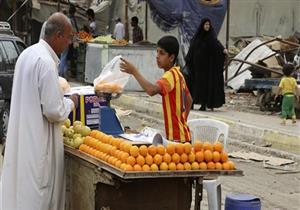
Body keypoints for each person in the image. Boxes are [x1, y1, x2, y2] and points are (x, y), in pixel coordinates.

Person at [0, 12, 78, 210]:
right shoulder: (45, 62)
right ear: (58, 35)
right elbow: (54, 111)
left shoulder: (28, 53)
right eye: (68, 37)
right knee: (38, 194)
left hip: (23, 137)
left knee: (20, 192)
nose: (69, 42)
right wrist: (71, 103)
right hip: (38, 144)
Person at [120, 36, 193, 143]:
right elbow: (189, 100)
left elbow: (151, 90)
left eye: (162, 53)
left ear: (171, 58)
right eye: (157, 52)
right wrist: (183, 121)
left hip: (178, 140)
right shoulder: (178, 74)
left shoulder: (170, 76)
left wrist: (134, 71)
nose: (157, 56)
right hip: (183, 137)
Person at [185, 18, 228, 111]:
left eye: (208, 24)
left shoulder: (211, 37)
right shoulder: (197, 37)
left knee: (204, 86)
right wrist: (188, 61)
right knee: (193, 85)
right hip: (195, 67)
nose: (207, 26)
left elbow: (217, 45)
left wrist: (223, 50)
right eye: (205, 24)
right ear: (202, 26)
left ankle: (203, 105)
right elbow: (191, 49)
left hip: (206, 69)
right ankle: (191, 103)